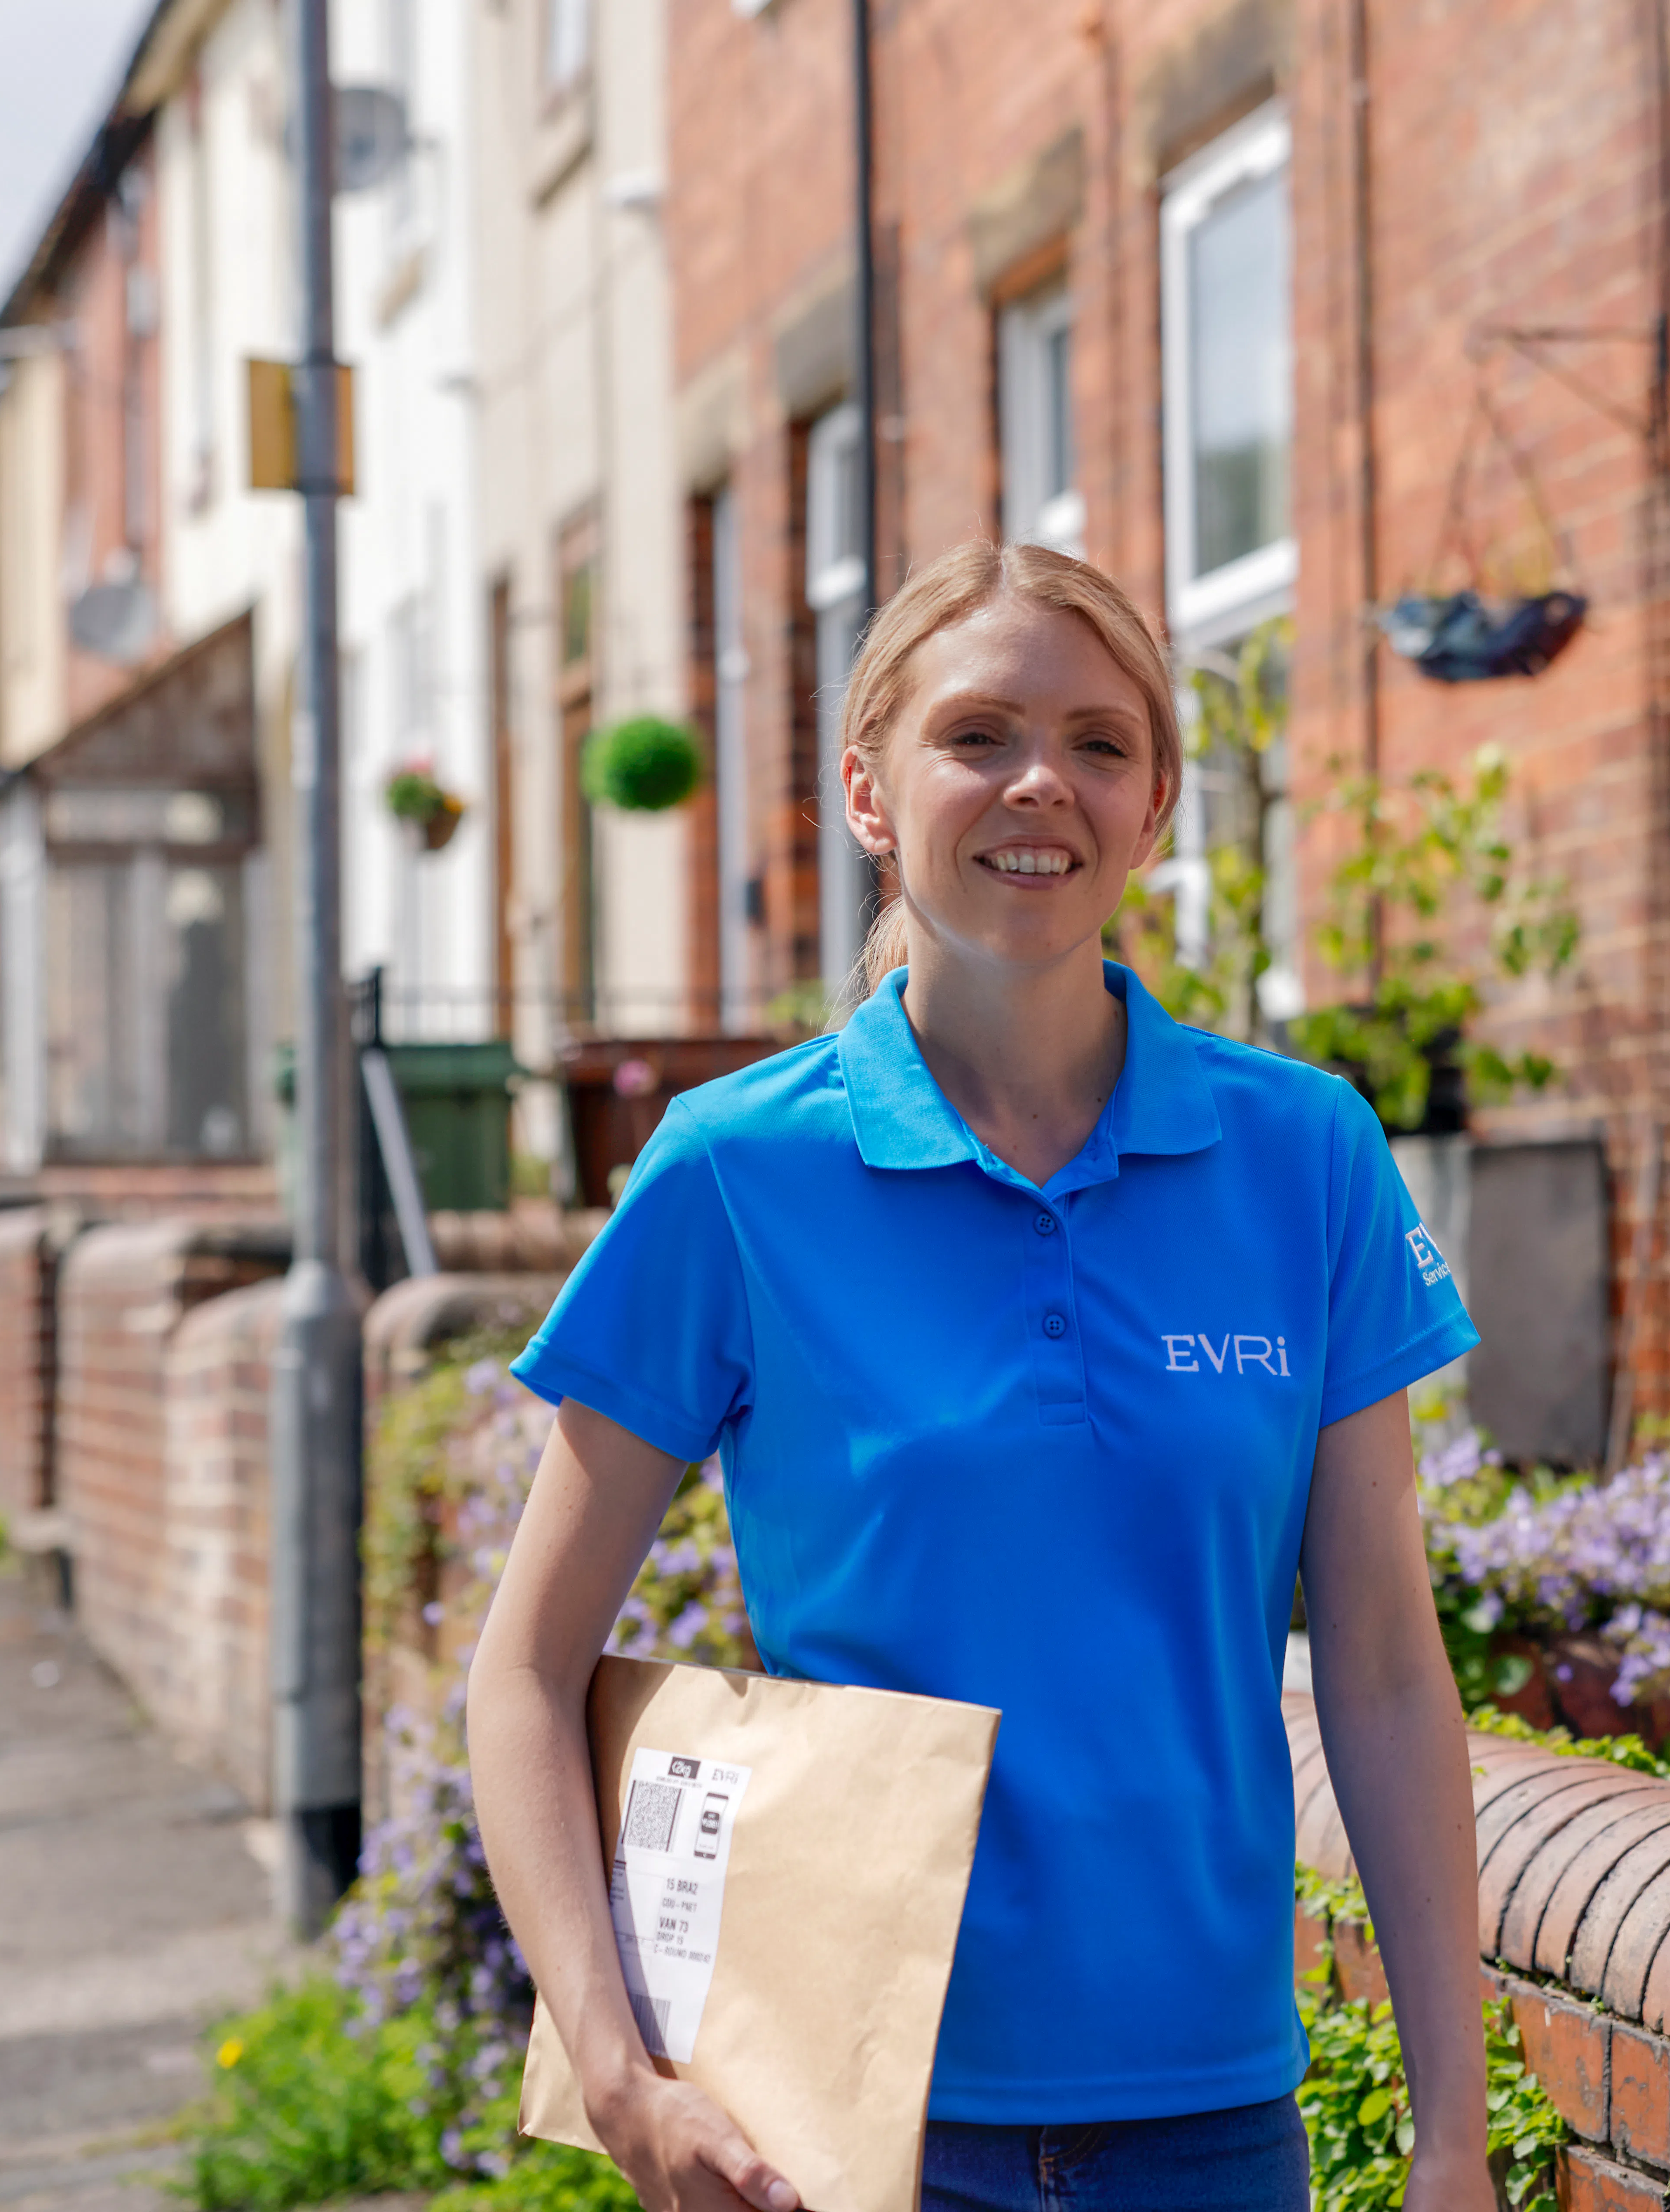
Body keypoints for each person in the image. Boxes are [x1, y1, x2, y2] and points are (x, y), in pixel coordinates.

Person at [466, 540, 1494, 2212]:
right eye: (980, 735)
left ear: (1158, 804)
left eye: (1101, 742)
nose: (1044, 782)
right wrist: (616, 2070)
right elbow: (523, 1676)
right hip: (843, 2129)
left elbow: (1383, 1667)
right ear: (869, 792)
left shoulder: (1306, 1154)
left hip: (1219, 2123)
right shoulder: (735, 1171)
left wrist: (1453, 2132)